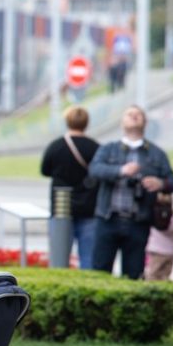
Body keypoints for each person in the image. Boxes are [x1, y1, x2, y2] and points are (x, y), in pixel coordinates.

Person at [88, 105, 173, 280]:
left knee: (134, 275)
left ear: (145, 122)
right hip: (108, 218)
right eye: (130, 114)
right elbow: (95, 170)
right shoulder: (109, 149)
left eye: (138, 115)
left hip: (139, 221)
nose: (134, 117)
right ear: (122, 121)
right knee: (100, 272)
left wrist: (159, 183)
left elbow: (172, 182)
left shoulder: (156, 154)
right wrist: (121, 171)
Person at [39, 106, 100, 269]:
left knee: (59, 258)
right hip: (89, 208)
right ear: (86, 123)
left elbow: (44, 170)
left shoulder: (56, 146)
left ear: (67, 122)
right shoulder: (95, 147)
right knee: (88, 259)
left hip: (61, 209)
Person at [145, 213, 173, 281]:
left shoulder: (153, 217)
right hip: (170, 251)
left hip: (156, 251)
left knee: (152, 275)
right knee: (165, 277)